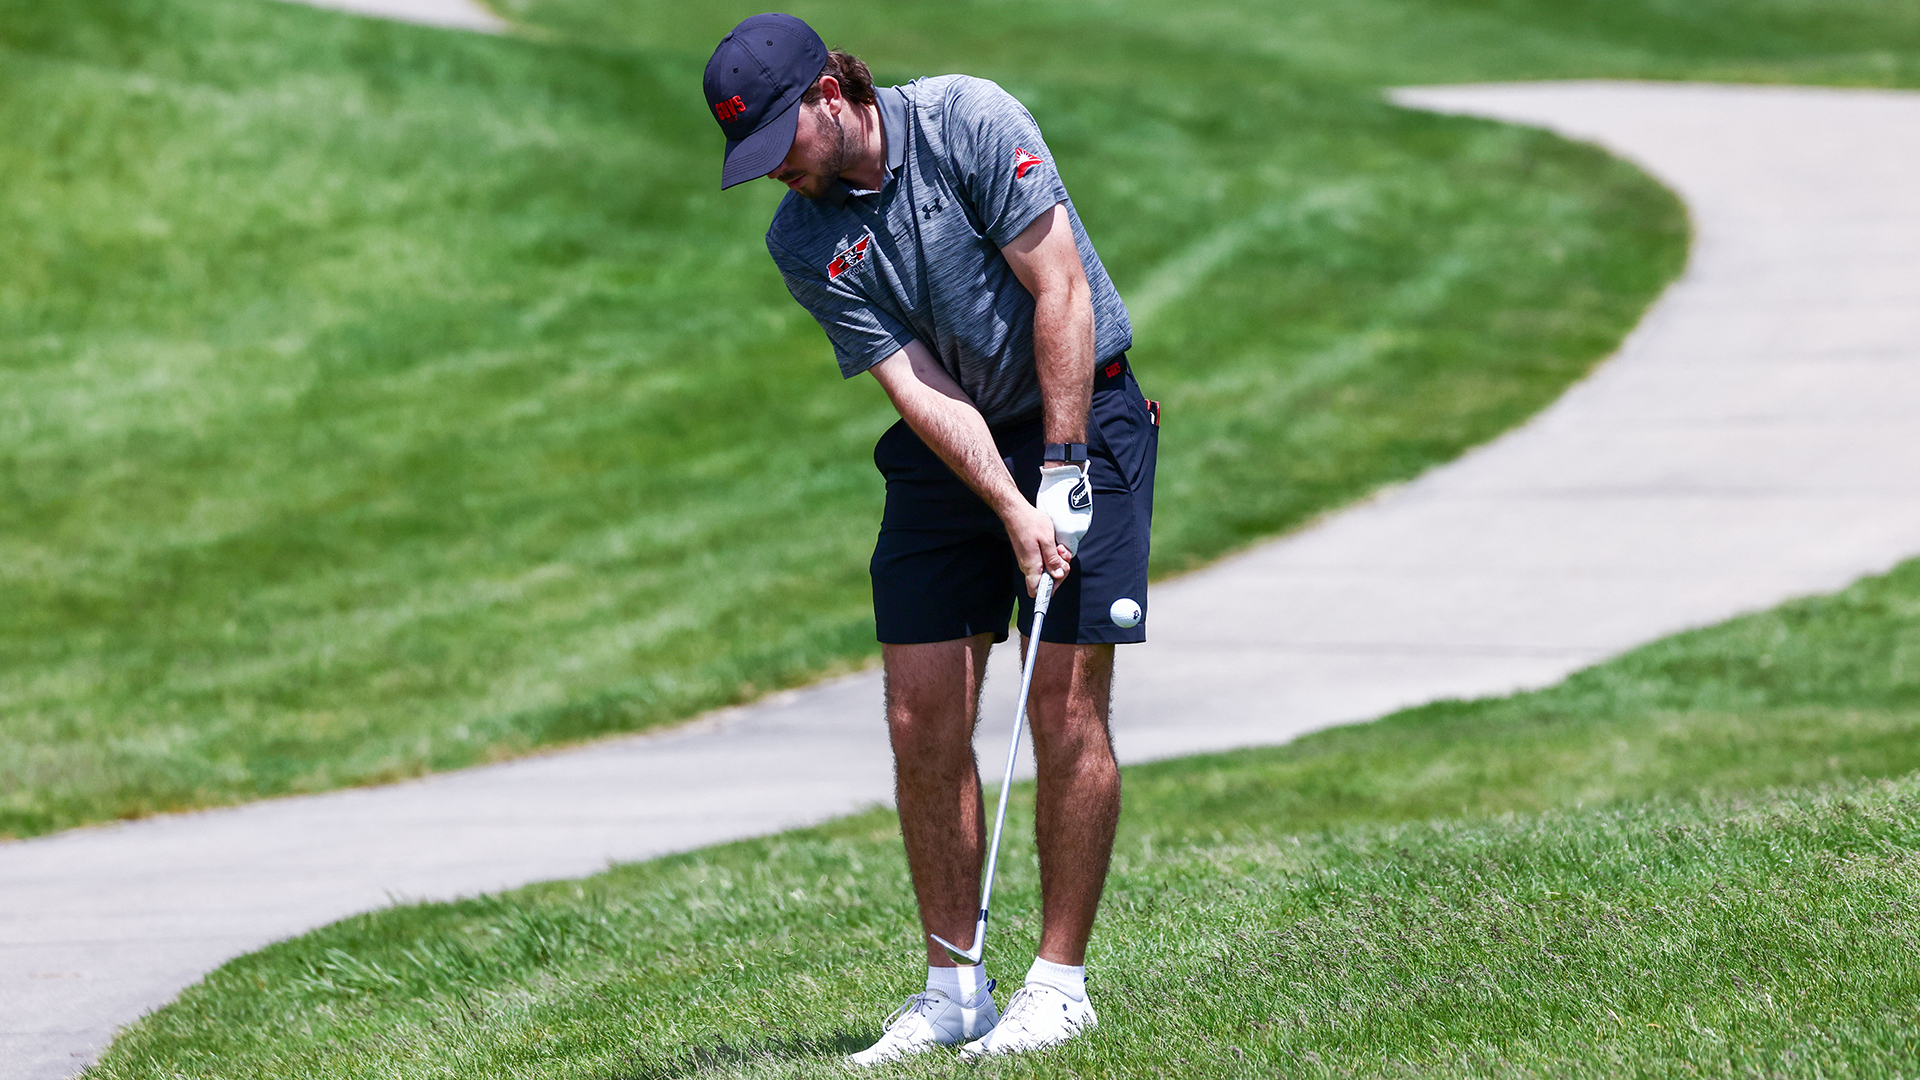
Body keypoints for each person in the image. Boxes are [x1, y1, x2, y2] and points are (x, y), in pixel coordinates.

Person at [702, 13, 1158, 1064]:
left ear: (829, 92)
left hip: (1083, 413)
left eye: (781, 143)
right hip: (956, 456)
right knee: (920, 713)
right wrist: (1007, 504)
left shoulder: (967, 121)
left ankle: (1059, 984)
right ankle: (954, 988)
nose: (774, 173)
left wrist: (1060, 466)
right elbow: (918, 386)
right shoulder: (801, 238)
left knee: (1064, 700)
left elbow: (1062, 289)